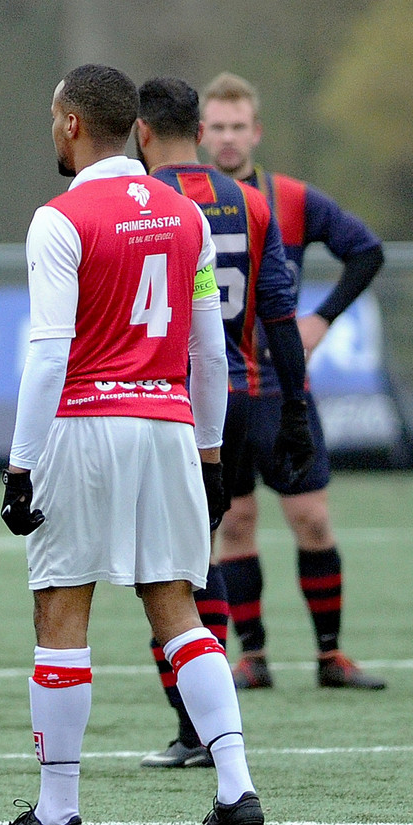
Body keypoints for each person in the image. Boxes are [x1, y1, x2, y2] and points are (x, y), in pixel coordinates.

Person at [0, 65, 262, 825]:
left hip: (85, 424)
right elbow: (211, 350)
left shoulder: (59, 219)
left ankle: (58, 811)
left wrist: (20, 465)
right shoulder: (187, 217)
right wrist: (209, 457)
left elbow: (48, 352)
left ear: (70, 124)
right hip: (169, 424)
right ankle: (236, 785)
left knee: (61, 612)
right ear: (136, 127)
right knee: (177, 610)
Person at [132, 76, 315, 768]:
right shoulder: (249, 200)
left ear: (142, 132)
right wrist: (294, 404)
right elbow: (279, 313)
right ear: (201, 131)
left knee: (167, 570)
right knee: (201, 553)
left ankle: (196, 729)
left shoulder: (144, 202)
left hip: (162, 398)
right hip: (239, 397)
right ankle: (209, 726)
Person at [200, 71, 387, 691]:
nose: (227, 138)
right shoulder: (185, 199)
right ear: (200, 133)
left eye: (237, 126)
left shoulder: (292, 199)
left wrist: (323, 318)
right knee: (236, 523)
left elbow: (366, 249)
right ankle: (253, 657)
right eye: (216, 127)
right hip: (218, 393)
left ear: (256, 130)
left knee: (311, 518)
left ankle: (331, 656)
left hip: (282, 390)